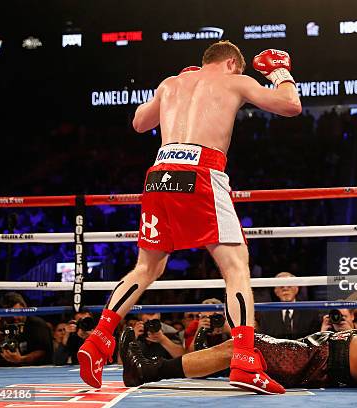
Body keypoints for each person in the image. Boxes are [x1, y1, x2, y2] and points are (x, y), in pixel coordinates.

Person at [78, 40, 301, 395]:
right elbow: (291, 105)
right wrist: (280, 71)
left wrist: (172, 90)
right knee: (236, 267)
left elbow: (138, 122)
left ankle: (97, 339)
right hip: (200, 171)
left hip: (158, 174)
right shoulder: (234, 80)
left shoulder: (171, 83)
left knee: (146, 268)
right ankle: (245, 360)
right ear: (231, 63)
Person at [120, 296, 357, 392]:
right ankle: (163, 367)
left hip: (320, 362)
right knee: (239, 349)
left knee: (240, 347)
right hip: (320, 349)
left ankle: (147, 371)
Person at [257, 272, 320, 339]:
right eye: (281, 286)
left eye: (289, 285)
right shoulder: (266, 315)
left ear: (296, 289)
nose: (285, 289)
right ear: (276, 291)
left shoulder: (310, 312)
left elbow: (315, 340)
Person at [0, 292, 53, 366]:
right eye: (9, 314)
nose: (15, 317)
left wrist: (21, 359)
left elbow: (43, 351)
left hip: (38, 368)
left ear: (24, 308)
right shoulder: (4, 325)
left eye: (17, 313)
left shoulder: (37, 324)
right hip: (12, 368)